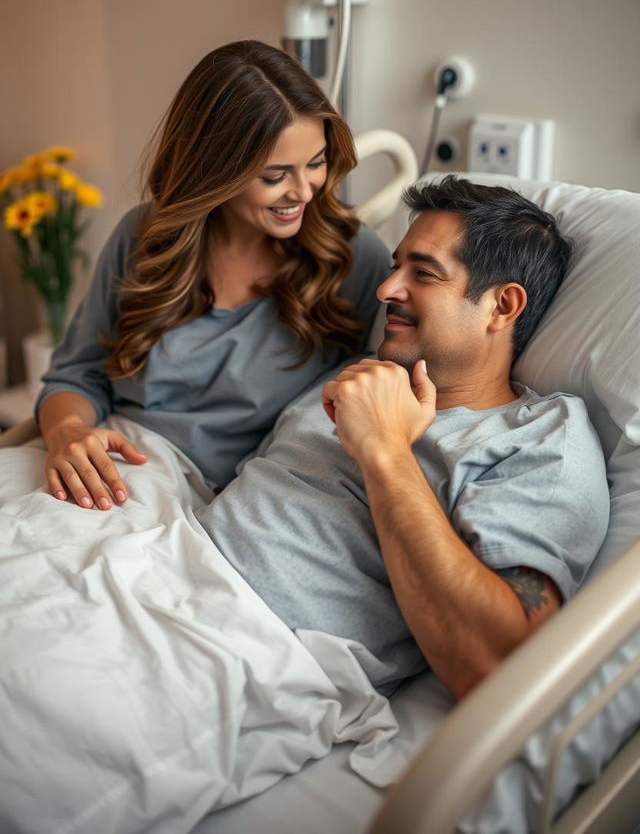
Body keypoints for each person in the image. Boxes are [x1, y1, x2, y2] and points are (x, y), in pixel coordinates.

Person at [197, 176, 609, 700]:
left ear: (502, 306)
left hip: (240, 654)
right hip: (152, 562)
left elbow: (494, 661)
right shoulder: (359, 377)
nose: (386, 289)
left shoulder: (541, 441)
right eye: (396, 265)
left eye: (424, 273)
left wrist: (385, 450)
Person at [36, 40, 390, 511]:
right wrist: (67, 433)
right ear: (214, 170)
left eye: (317, 162)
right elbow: (75, 376)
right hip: (119, 463)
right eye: (275, 175)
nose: (304, 191)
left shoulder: (352, 259)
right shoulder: (144, 238)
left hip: (241, 499)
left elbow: (380, 399)